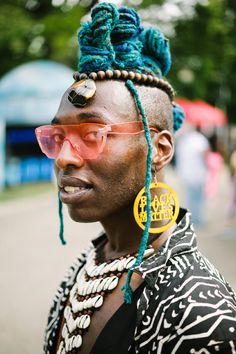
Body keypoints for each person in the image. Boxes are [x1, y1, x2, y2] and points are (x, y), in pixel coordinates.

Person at [36, 3, 236, 353]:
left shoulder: (201, 313)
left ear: (159, 149)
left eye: (93, 134)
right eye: (58, 136)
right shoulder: (97, 259)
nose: (65, 157)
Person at [175, 126, 210, 225]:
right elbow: (206, 155)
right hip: (198, 173)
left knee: (189, 197)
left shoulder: (183, 141)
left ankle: (190, 218)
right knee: (199, 197)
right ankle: (198, 219)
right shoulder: (200, 139)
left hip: (185, 173)